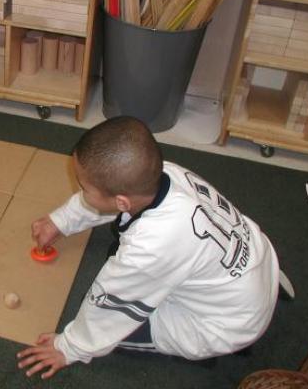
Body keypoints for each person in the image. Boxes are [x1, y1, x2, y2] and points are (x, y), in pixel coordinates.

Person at [17, 116, 281, 379]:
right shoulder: (167, 173)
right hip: (260, 269)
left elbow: (111, 305)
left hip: (227, 324)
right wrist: (61, 221)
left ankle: (207, 348)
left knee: (116, 332)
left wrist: (69, 347)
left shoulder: (149, 247)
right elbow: (109, 199)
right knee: (139, 262)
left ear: (122, 202)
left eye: (84, 188)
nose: (81, 191)